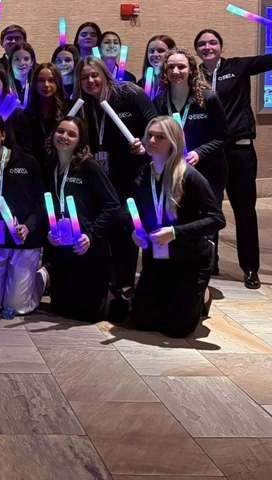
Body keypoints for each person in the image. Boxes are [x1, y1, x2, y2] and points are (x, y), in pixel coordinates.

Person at [195, 18, 272, 289]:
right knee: (207, 209)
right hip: (210, 154)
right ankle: (209, 260)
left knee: (245, 211)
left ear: (221, 46)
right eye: (202, 44)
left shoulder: (238, 67)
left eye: (212, 42)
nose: (207, 47)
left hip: (239, 152)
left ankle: (250, 268)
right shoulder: (195, 75)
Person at [130, 116, 225, 337]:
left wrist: (174, 232)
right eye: (150, 135)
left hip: (190, 258)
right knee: (142, 321)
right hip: (158, 258)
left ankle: (203, 297)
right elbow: (138, 209)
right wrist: (137, 230)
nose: (152, 140)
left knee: (177, 329)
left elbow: (217, 219)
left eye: (160, 137)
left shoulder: (190, 176)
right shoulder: (145, 174)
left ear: (173, 142)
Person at [74, 56, 155, 302]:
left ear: (104, 74)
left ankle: (125, 283)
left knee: (124, 223)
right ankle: (105, 282)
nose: (90, 81)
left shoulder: (129, 93)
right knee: (102, 226)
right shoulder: (81, 104)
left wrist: (145, 143)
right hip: (100, 178)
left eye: (94, 75)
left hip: (130, 174)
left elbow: (155, 123)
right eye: (84, 77)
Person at [44, 116, 122, 322]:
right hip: (63, 248)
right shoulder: (50, 166)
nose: (64, 137)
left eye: (71, 134)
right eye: (60, 131)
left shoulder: (89, 167)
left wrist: (91, 235)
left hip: (88, 248)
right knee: (60, 309)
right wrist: (50, 231)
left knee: (88, 315)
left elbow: (113, 204)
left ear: (80, 140)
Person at [0, 113, 48, 317]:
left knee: (17, 307)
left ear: (3, 135)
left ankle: (43, 276)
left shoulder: (27, 162)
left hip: (23, 241)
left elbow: (41, 202)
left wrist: (28, 226)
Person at [154, 48, 228, 205]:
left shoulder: (208, 98)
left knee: (207, 220)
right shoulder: (160, 101)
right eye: (170, 67)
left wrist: (198, 153)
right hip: (175, 171)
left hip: (208, 169)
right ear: (165, 71)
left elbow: (221, 137)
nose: (175, 71)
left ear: (191, 70)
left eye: (181, 67)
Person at [22, 62, 68, 167]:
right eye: (41, 80)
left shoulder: (69, 110)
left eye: (51, 80)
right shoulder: (26, 115)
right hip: (35, 168)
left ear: (58, 83)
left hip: (62, 166)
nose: (46, 85)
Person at [5, 42, 37, 108]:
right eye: (17, 59)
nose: (21, 63)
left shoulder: (37, 84)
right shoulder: (3, 84)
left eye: (26, 59)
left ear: (32, 62)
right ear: (10, 62)